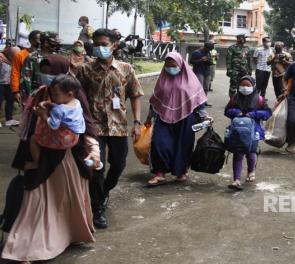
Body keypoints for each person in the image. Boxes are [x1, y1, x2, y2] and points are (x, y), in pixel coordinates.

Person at [2, 54, 100, 264]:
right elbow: (27, 129)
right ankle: (25, 250)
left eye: (53, 73)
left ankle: (71, 235)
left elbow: (87, 126)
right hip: (42, 159)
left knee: (67, 201)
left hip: (68, 159)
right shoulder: (39, 95)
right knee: (35, 204)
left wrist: (94, 150)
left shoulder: (74, 95)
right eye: (44, 72)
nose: (48, 77)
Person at [75, 28, 144, 229]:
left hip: (118, 127)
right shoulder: (86, 69)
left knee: (119, 165)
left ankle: (103, 192)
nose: (99, 48)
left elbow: (136, 95)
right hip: (94, 127)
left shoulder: (125, 68)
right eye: (96, 44)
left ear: (114, 45)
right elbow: (73, 92)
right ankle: (97, 209)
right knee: (97, 167)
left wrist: (137, 123)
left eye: (103, 44)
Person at [145, 52, 211, 185]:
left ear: (181, 65)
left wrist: (205, 116)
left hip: (186, 118)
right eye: (168, 65)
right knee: (159, 143)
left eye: (174, 65)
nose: (170, 68)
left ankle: (181, 171)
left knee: (183, 145)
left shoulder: (191, 80)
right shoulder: (162, 79)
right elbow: (155, 101)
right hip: (163, 117)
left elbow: (198, 101)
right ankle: (160, 173)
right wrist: (149, 117)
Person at [224, 76, 271, 190]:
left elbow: (268, 113)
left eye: (248, 85)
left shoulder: (259, 100)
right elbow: (227, 111)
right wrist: (236, 112)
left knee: (251, 153)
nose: (245, 88)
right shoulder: (235, 98)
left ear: (253, 86)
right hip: (237, 131)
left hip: (253, 132)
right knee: (238, 153)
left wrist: (255, 114)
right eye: (242, 85)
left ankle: (251, 171)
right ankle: (236, 180)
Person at [31, 74, 86, 158]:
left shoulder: (59, 110)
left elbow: (53, 126)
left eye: (56, 95)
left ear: (69, 94)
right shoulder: (76, 102)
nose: (53, 97)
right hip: (75, 137)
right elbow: (66, 111)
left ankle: (35, 162)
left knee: (33, 139)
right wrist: (51, 104)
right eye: (52, 94)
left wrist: (43, 115)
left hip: (63, 140)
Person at [10, 30, 41, 105]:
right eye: (38, 39)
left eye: (42, 39)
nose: (40, 41)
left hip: (41, 90)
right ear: (31, 40)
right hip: (26, 90)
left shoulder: (44, 55)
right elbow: (15, 73)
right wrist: (15, 91)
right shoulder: (20, 55)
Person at [0, 46, 20, 127]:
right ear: (10, 54)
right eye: (14, 55)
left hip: (9, 84)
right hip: (0, 84)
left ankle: (9, 119)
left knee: (10, 100)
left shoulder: (13, 61)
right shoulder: (1, 58)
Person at [189, 42, 214, 106]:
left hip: (207, 72)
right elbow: (191, 61)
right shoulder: (196, 52)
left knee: (206, 88)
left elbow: (211, 62)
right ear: (205, 47)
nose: (209, 51)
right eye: (209, 49)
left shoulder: (208, 53)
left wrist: (208, 61)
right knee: (199, 88)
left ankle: (204, 102)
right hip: (199, 72)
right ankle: (197, 102)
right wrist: (201, 60)